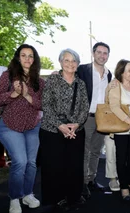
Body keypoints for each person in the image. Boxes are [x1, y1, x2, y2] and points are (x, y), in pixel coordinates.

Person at [0, 44, 45, 213]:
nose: (27, 59)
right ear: (18, 57)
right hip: (9, 126)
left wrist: (26, 95)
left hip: (32, 126)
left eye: (30, 56)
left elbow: (42, 104)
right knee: (20, 161)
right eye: (23, 55)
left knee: (31, 163)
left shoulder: (39, 81)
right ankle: (15, 198)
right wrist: (14, 94)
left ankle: (28, 194)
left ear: (34, 59)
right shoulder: (7, 76)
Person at [39, 48, 89, 211]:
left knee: (74, 166)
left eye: (74, 61)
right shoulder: (52, 81)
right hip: (53, 131)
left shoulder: (80, 84)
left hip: (75, 131)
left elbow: (84, 108)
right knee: (54, 166)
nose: (70, 64)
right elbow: (46, 105)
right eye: (66, 60)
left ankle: (73, 197)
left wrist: (76, 124)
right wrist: (60, 125)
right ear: (60, 62)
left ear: (78, 64)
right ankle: (55, 198)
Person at [77, 42, 113, 198]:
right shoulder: (83, 70)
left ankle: (91, 179)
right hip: (86, 117)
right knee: (84, 151)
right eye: (99, 52)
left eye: (105, 53)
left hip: (102, 118)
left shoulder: (109, 74)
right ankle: (82, 183)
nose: (102, 55)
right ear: (93, 53)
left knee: (96, 151)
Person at [106, 59, 130, 200]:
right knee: (121, 159)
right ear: (121, 72)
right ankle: (123, 187)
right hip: (121, 130)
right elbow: (114, 107)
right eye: (129, 70)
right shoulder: (116, 86)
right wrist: (129, 121)